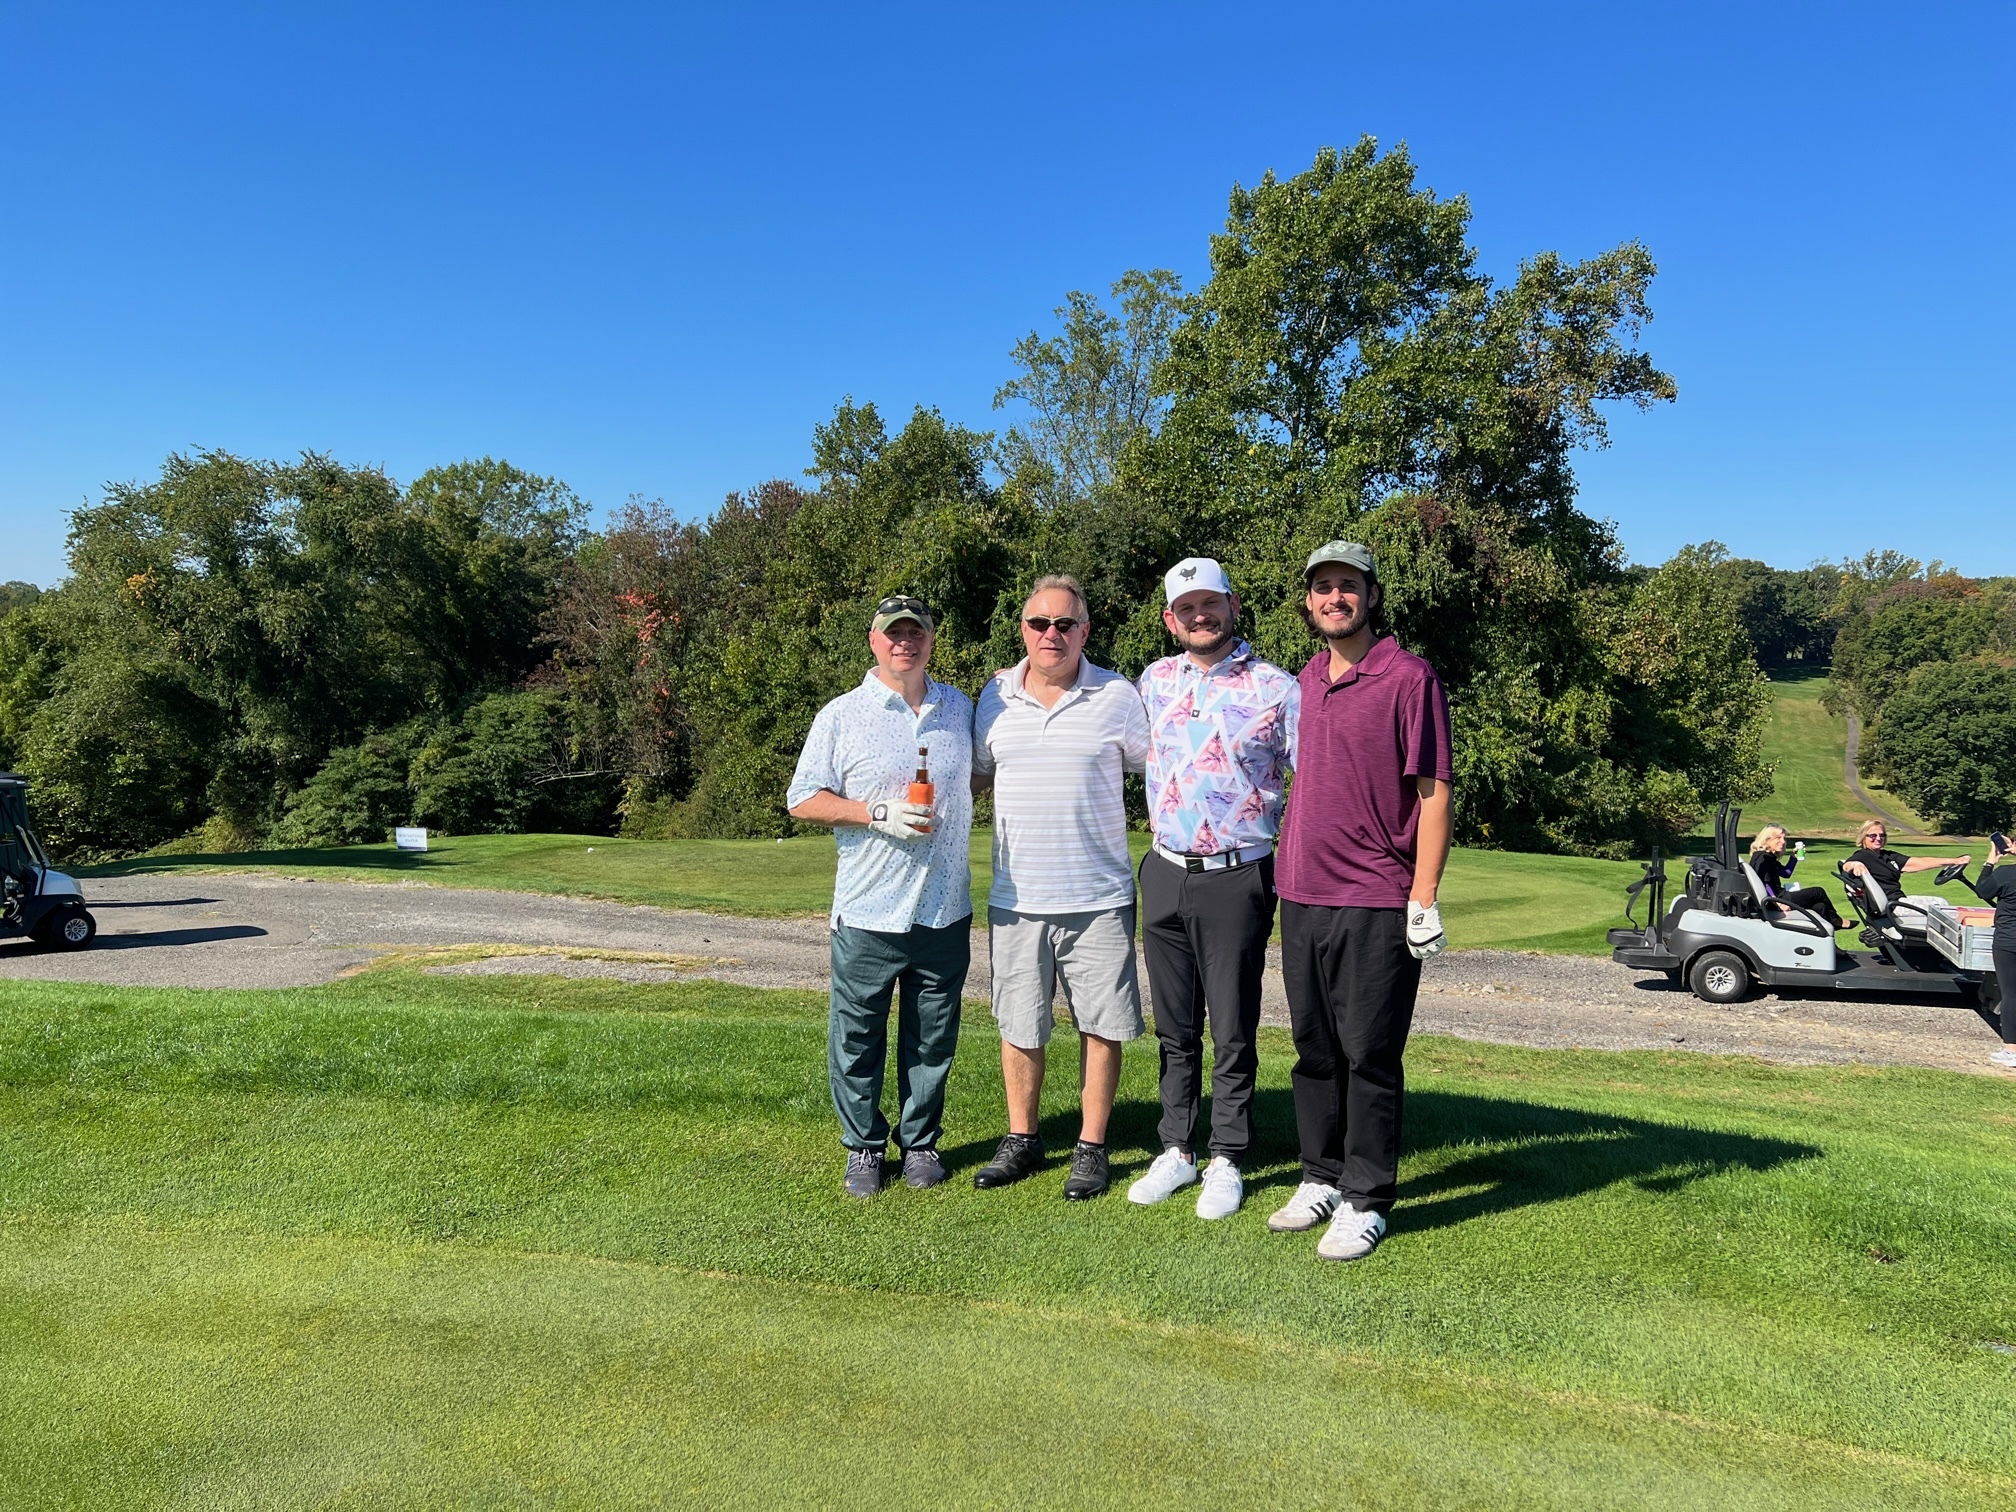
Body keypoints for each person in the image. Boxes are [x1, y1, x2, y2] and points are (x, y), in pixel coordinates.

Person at [1269, 542, 1452, 1262]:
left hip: (1375, 894)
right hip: (1300, 890)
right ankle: (1321, 1175)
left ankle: (1366, 1198)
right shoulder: (1306, 679)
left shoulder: (1409, 677)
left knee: (1369, 1053)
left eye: (1348, 585)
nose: (1335, 598)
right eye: (1322, 587)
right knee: (1314, 1050)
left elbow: (1433, 792)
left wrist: (1424, 895)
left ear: (1371, 596)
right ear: (1308, 602)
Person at [1127, 557, 1299, 1220]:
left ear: (1232, 606)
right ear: (1171, 621)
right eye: (1186, 608)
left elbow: (1313, 777)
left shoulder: (1276, 688)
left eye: (1210, 604)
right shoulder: (1154, 681)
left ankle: (1227, 1155)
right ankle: (1177, 1147)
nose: (1200, 616)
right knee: (1174, 1028)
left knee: (1231, 1027)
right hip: (1165, 869)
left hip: (1237, 874)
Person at [969, 574, 1151, 1200]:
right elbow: (973, 775)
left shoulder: (1118, 695)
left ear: (1084, 631)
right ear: (1023, 630)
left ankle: (1091, 1146)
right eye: (1039, 623)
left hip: (1099, 896)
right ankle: (1022, 1139)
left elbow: (1160, 770)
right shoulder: (994, 697)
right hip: (1017, 898)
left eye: (1064, 623)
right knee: (1020, 1024)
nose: (1052, 633)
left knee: (1101, 1025)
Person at [786, 595, 974, 1198]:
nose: (904, 643)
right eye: (893, 633)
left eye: (915, 632)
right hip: (867, 909)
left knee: (932, 1038)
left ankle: (920, 1143)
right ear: (874, 641)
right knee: (857, 1038)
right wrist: (876, 812)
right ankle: (864, 1146)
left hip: (944, 909)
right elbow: (802, 798)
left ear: (931, 640)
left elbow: (990, 766)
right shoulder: (841, 715)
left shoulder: (960, 708)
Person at [1842, 820, 1970, 934]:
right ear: (1863, 837)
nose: (1878, 838)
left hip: (1899, 902)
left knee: (1941, 902)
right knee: (1947, 911)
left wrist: (1955, 861)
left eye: (1882, 835)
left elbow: (1919, 862)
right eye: (1873, 835)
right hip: (1894, 907)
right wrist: (1856, 864)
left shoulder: (1888, 856)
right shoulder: (1863, 856)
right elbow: (1847, 865)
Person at [1968, 835, 2016, 1070]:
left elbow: (1982, 891)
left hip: (2009, 940)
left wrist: (1991, 860)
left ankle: (2011, 1050)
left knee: (2011, 995)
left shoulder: (2006, 873)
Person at [1748, 824, 1848, 931]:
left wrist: (1794, 857)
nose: (1783, 841)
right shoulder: (1763, 858)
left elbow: (1786, 873)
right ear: (1767, 839)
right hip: (1777, 899)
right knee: (1818, 892)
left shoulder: (1767, 857)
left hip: (1778, 897)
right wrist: (1778, 903)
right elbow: (1764, 883)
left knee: (1820, 907)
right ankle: (1837, 921)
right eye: (1778, 838)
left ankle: (1826, 932)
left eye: (1784, 838)